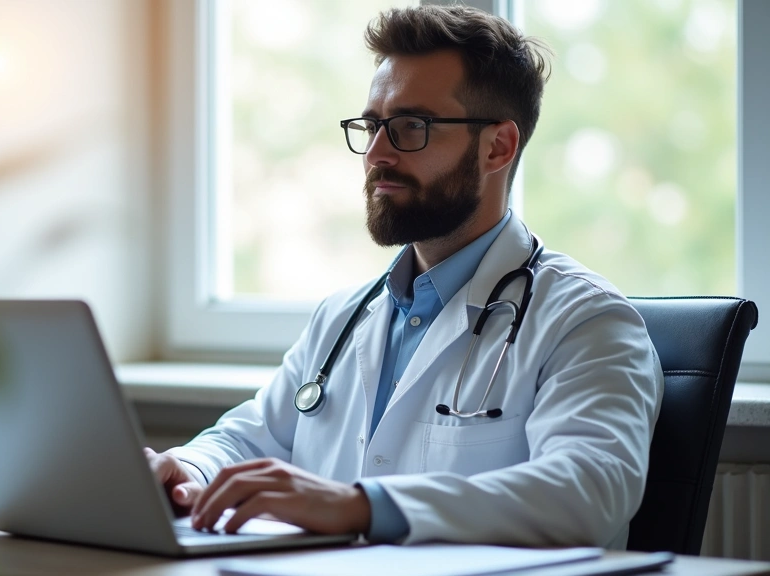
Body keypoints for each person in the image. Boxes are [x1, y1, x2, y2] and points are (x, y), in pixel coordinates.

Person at [146, 4, 663, 548]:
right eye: (372, 125)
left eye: (410, 127)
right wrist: (188, 471)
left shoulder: (586, 319)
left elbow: (588, 493)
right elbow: (252, 438)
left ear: (498, 146)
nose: (376, 154)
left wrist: (360, 506)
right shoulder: (344, 316)